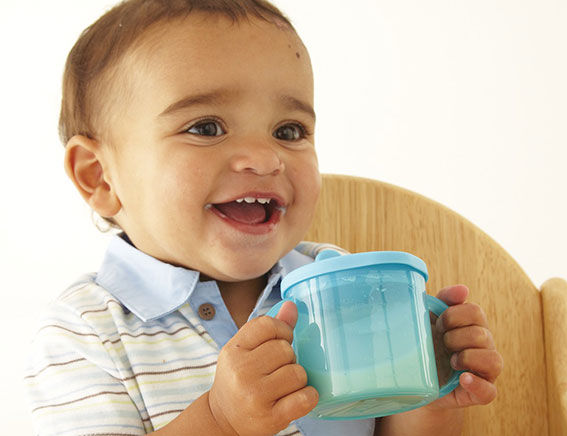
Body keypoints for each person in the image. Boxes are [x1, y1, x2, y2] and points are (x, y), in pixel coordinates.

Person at [24, 1, 503, 435]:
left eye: (288, 130)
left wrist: (430, 393)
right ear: (100, 177)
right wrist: (219, 420)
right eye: (206, 127)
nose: (264, 157)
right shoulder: (85, 331)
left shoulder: (335, 280)